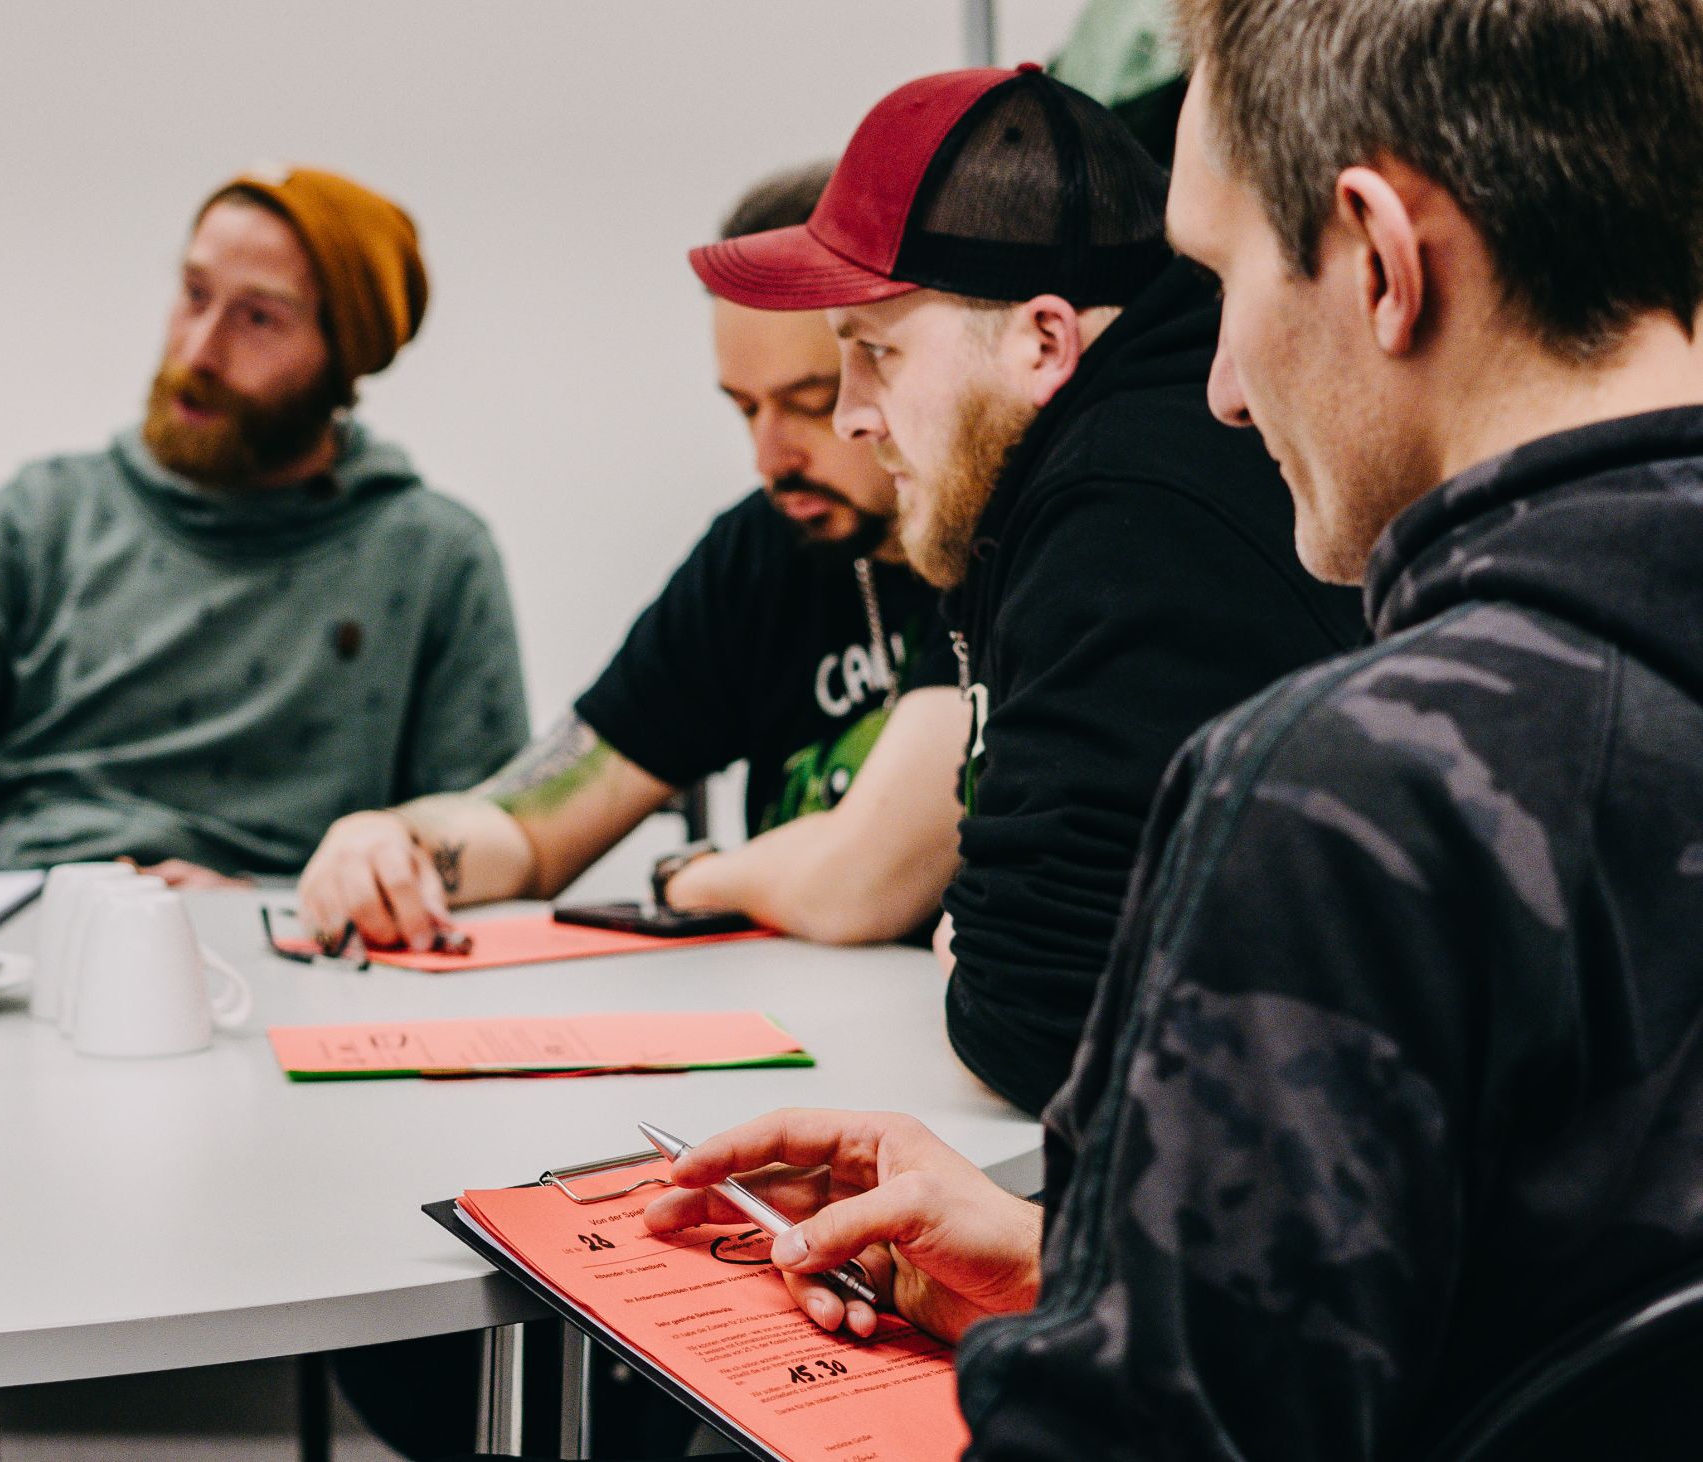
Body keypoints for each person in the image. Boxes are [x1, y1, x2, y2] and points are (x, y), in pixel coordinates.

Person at [647, 0, 1703, 1454]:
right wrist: (1089, 1263)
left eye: (1218, 283)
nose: (1214, 383)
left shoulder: (1341, 796)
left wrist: (1089, 1338)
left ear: (1384, 263)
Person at [688, 66, 1360, 1113]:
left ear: (1042, 341)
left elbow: (1032, 1022)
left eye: (872, 357)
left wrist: (976, 944)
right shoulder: (1070, 473)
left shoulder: (1118, 509)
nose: (856, 418)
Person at [0, 165, 527, 888]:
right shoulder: (45, 514)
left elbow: (483, 851)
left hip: (279, 950)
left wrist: (270, 913)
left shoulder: (432, 559)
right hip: (26, 915)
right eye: (194, 294)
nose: (198, 350)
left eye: (258, 318)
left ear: (341, 362)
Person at [296, 162, 969, 950]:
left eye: (811, 404)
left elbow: (866, 880)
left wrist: (692, 877)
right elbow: (538, 823)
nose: (769, 457)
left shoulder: (1000, 551)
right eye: (745, 409)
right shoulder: (762, 549)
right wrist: (394, 844)